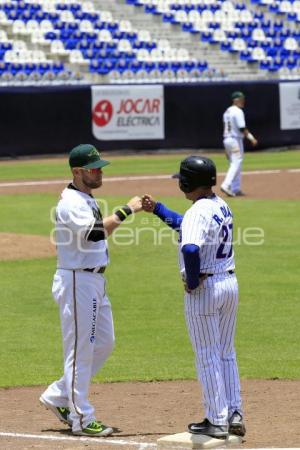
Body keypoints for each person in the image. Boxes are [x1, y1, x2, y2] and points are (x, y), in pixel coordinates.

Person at [40, 144, 142, 437]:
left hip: (93, 281)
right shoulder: (70, 202)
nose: (99, 172)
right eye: (93, 168)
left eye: (100, 167)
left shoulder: (84, 197)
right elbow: (93, 232)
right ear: (77, 171)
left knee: (104, 343)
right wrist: (127, 210)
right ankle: (81, 417)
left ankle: (58, 395)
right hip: (77, 282)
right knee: (80, 350)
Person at [142, 156, 245, 439]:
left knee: (206, 354)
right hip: (229, 284)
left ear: (188, 182)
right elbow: (185, 224)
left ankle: (217, 419)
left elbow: (190, 249)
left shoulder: (197, 212)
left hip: (206, 291)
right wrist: (159, 210)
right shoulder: (220, 204)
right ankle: (234, 413)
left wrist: (190, 279)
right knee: (226, 351)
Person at [221, 91, 258, 197]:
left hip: (227, 139)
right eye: (241, 99)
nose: (243, 101)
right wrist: (252, 138)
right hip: (234, 140)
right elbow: (242, 127)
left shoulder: (227, 111)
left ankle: (235, 188)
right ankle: (226, 185)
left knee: (237, 163)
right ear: (235, 100)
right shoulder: (237, 111)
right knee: (236, 163)